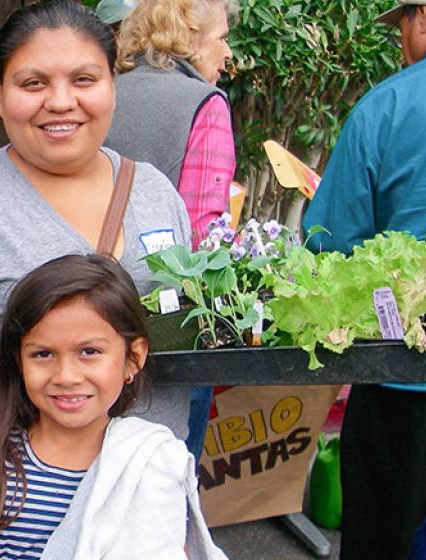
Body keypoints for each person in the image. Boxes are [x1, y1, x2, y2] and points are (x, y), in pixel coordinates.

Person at [0, 2, 192, 556]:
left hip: (140, 512)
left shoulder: (156, 194)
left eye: (84, 79)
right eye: (33, 82)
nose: (61, 102)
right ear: (0, 95)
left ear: (112, 84)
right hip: (12, 514)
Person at [0, 254, 225, 560]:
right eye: (43, 354)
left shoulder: (151, 460)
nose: (66, 377)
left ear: (134, 358)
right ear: (17, 360)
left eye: (89, 351)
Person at [301, 1, 426, 558]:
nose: (402, 42)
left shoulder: (389, 107)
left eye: (403, 27)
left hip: (403, 378)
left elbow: (328, 241)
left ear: (423, 17)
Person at [103, 0, 238, 462]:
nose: (226, 55)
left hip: (93, 313)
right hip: (166, 331)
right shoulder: (204, 104)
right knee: (164, 478)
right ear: (186, 37)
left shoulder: (104, 91)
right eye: (220, 38)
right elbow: (203, 239)